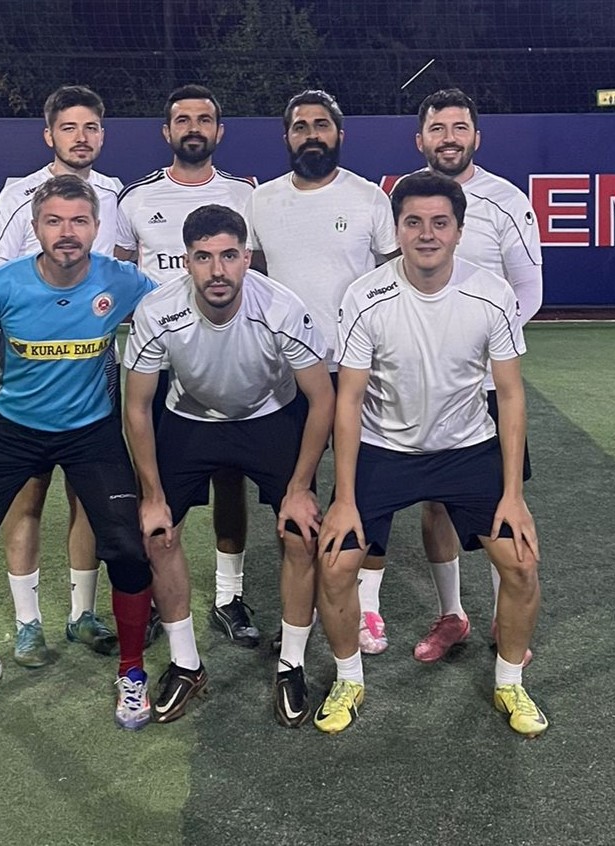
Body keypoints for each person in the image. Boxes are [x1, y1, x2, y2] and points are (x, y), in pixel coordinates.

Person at [315, 172, 547, 738]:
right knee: (336, 564)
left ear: (459, 231)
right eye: (413, 222)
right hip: (385, 450)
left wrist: (513, 495)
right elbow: (349, 399)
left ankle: (510, 683)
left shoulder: (492, 294)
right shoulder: (364, 296)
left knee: (521, 563)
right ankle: (348, 679)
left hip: (467, 450)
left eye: (440, 222)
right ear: (396, 230)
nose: (426, 234)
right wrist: (343, 498)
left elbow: (509, 395)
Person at [0, 175, 157, 730]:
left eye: (79, 221)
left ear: (97, 228)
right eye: (54, 221)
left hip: (92, 433)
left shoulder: (122, 280)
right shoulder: (2, 286)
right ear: (36, 228)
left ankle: (131, 673)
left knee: (129, 551)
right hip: (12, 430)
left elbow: (167, 313)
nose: (67, 232)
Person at [123, 205, 334, 727]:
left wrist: (300, 487)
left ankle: (291, 664)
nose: (217, 271)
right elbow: (137, 406)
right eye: (203, 257)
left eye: (229, 256)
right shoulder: (157, 310)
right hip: (190, 420)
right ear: (186, 261)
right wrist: (152, 496)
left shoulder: (281, 307)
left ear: (247, 257)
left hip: (269, 416)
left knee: (300, 532)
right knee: (157, 534)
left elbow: (322, 397)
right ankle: (186, 664)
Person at [364, 87, 545, 663]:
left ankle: (502, 620)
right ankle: (452, 615)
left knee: (499, 507)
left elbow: (529, 289)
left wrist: (480, 350)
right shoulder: (402, 200)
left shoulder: (506, 201)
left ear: (476, 137)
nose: (449, 138)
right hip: (419, 387)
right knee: (434, 503)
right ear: (420, 139)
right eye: (437, 128)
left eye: (459, 127)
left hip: (484, 385)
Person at [244, 88, 398, 654]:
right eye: (300, 126)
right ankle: (299, 610)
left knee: (368, 488)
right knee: (295, 493)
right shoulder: (261, 201)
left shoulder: (370, 199)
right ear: (286, 137)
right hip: (288, 375)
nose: (311, 134)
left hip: (359, 370)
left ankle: (367, 605)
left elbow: (392, 280)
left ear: (339, 135)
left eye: (321, 125)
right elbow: (254, 281)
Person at [0, 85, 125, 668]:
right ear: (49, 135)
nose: (80, 138)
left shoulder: (114, 194)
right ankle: (27, 624)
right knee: (28, 495)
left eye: (90, 127)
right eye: (69, 128)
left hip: (96, 373)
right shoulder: (21, 196)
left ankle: (82, 614)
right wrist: (21, 358)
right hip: (33, 380)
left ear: (102, 135)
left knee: (88, 499)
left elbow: (118, 278)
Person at [115, 85, 262, 649]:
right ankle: (159, 598)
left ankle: (229, 596)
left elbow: (256, 272)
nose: (193, 127)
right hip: (158, 362)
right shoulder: (136, 199)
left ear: (219, 131)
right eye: (183, 119)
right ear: (167, 131)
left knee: (229, 477)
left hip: (228, 357)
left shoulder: (245, 195)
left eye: (204, 119)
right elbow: (123, 272)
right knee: (152, 479)